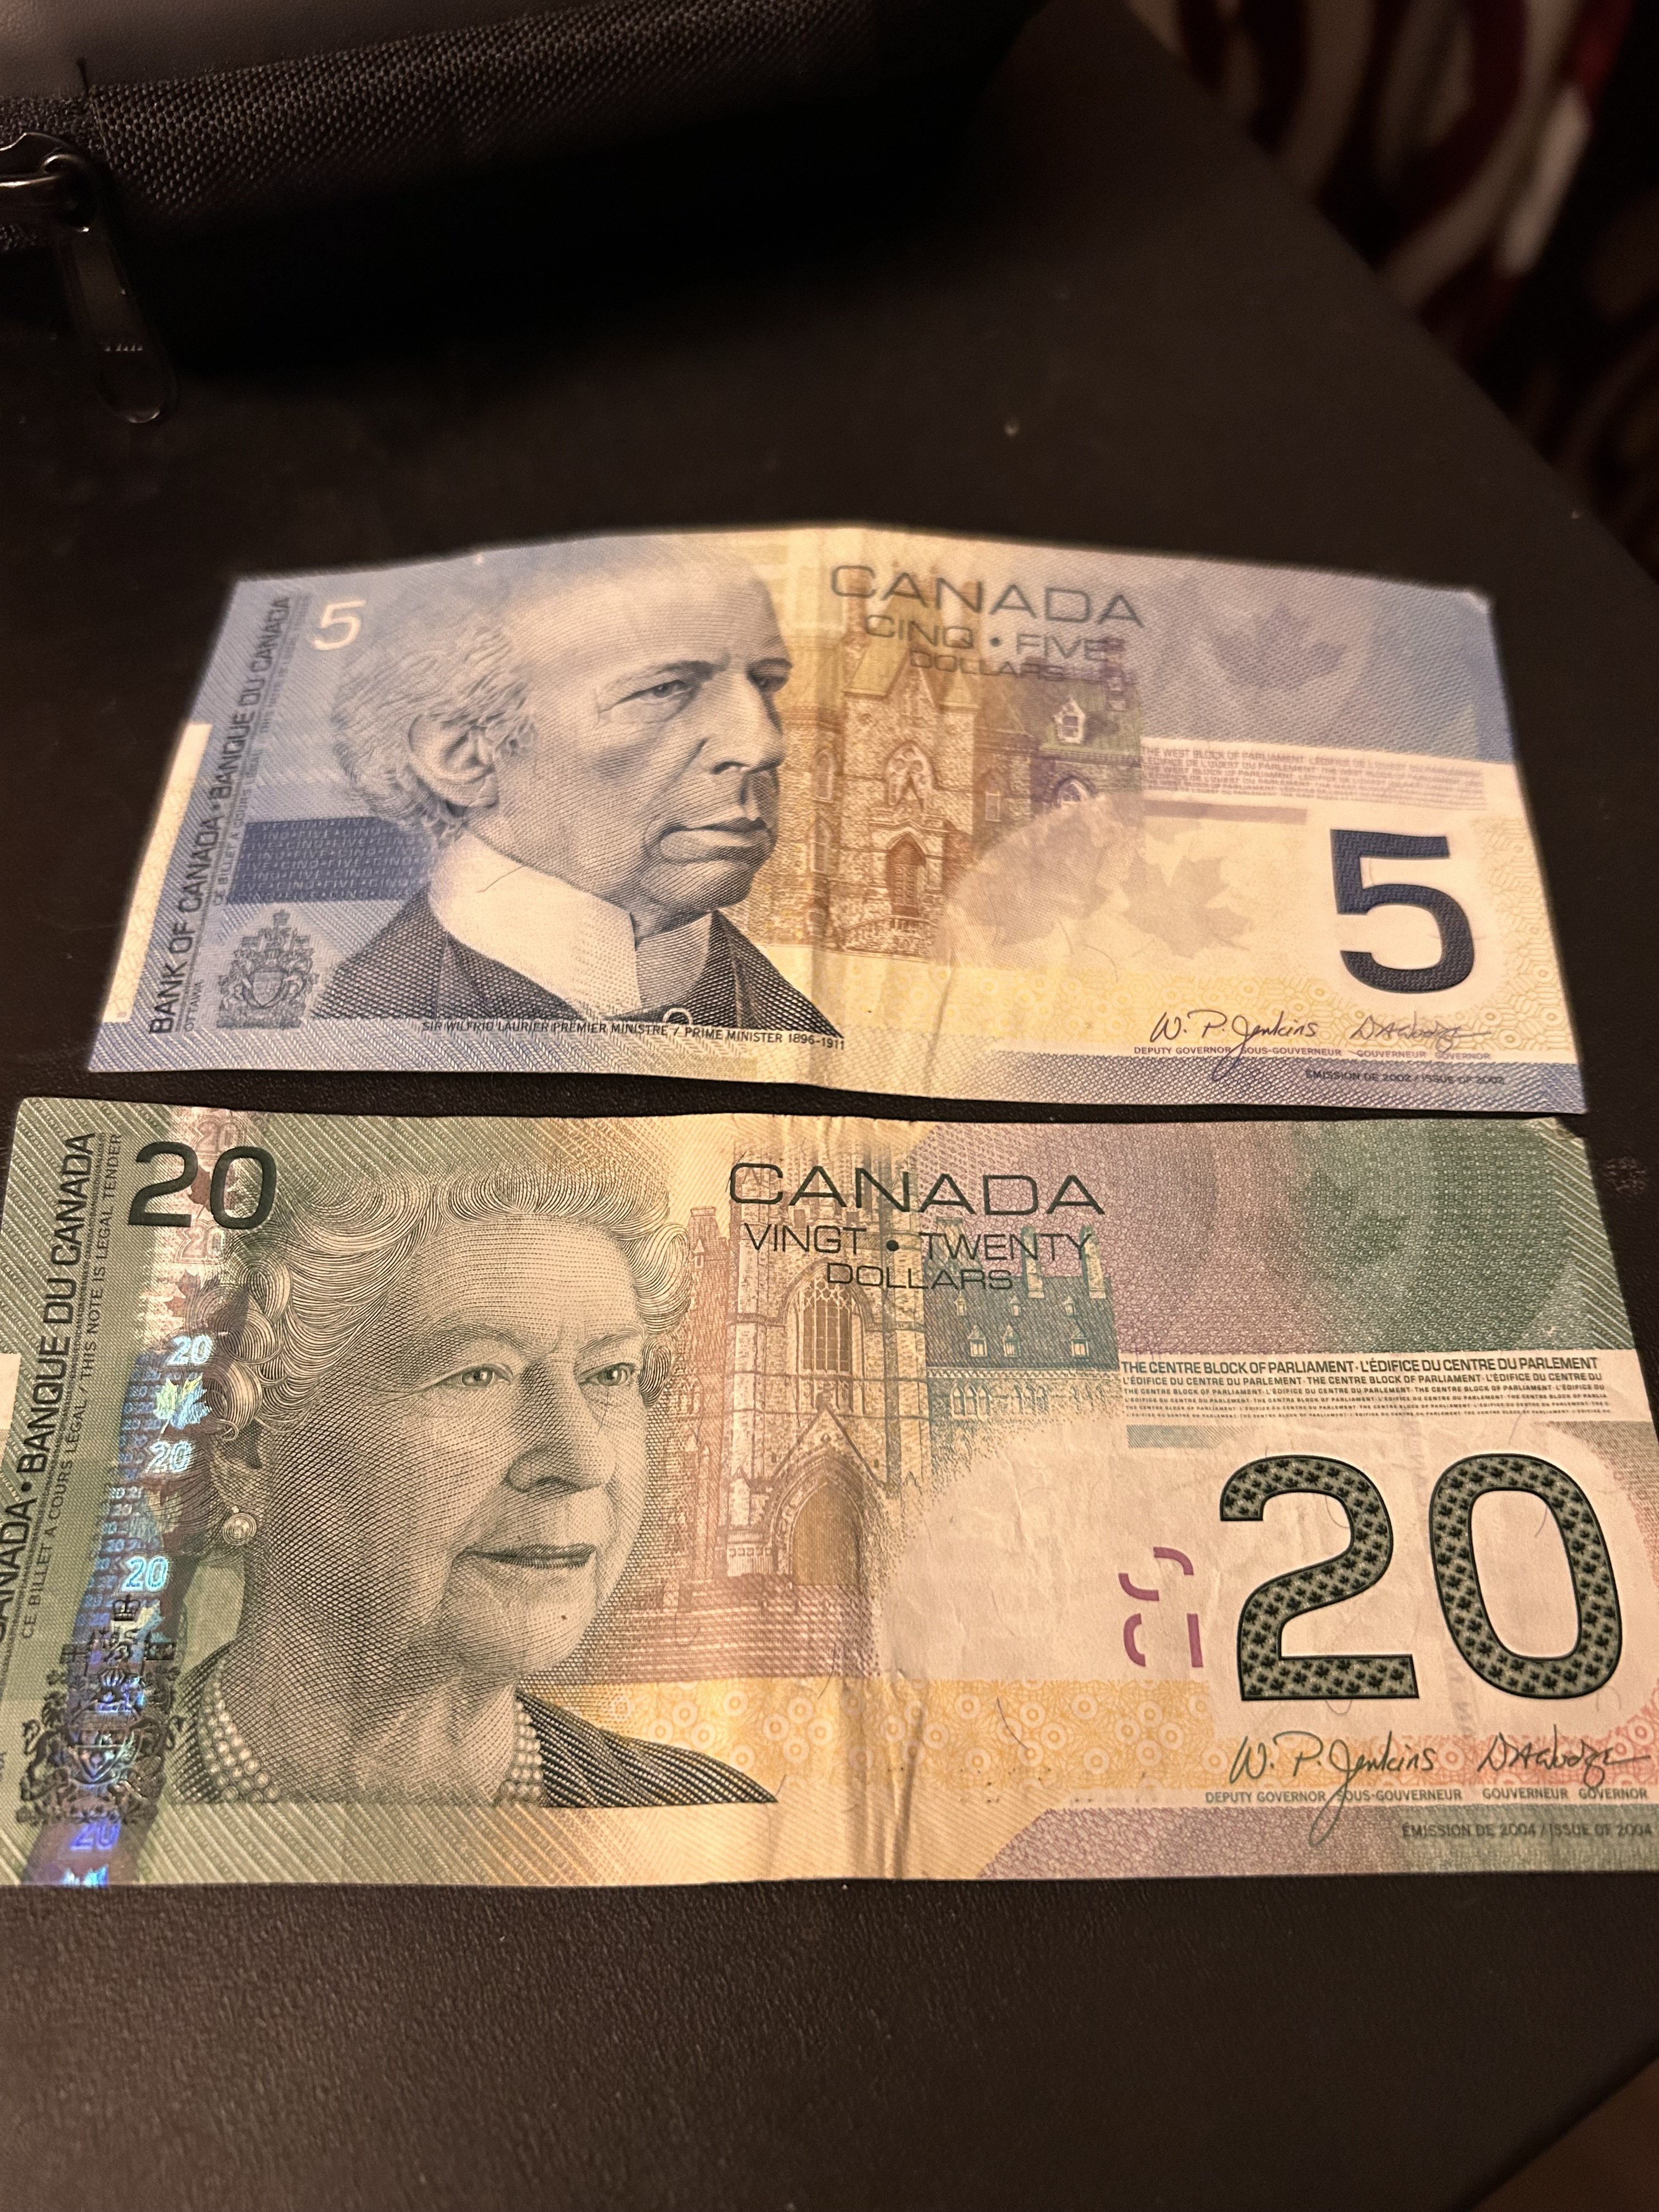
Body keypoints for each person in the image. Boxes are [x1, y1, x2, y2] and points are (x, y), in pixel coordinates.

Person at [168, 1148, 771, 1808]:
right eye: (477, 1376)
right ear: (247, 1452)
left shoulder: (711, 1806)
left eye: (610, 1374)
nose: (584, 1460)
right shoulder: (89, 1800)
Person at [314, 538, 838, 1036]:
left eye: (766, 682)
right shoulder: (361, 1015)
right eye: (663, 689)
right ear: (466, 756)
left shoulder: (791, 1017)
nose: (765, 745)